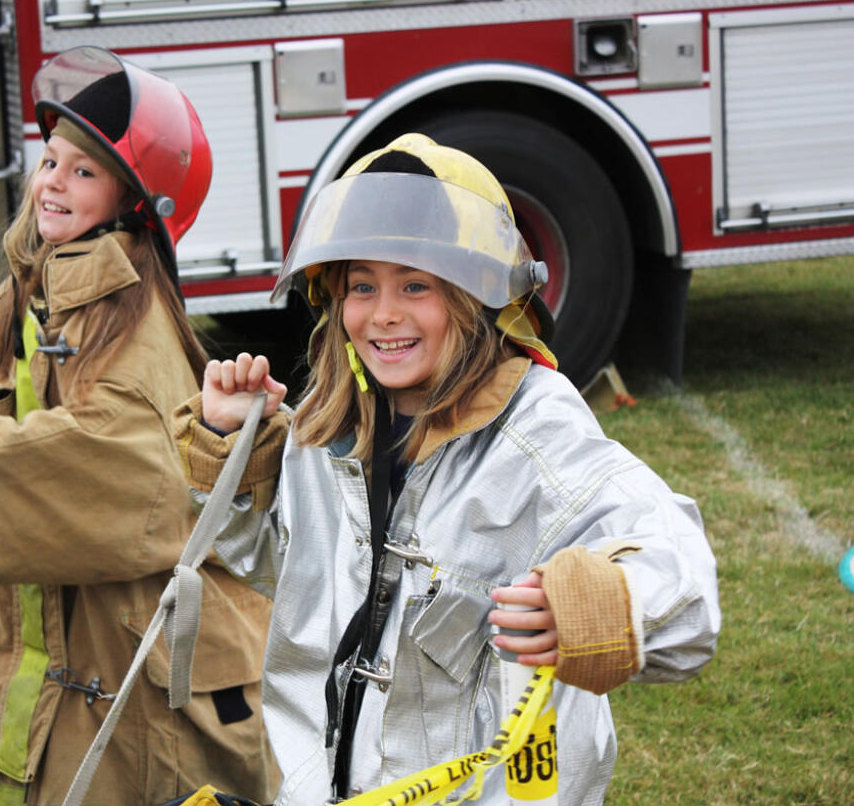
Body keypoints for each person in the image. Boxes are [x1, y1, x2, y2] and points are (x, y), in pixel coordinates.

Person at [172, 133, 720, 806]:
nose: (384, 313)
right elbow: (290, 572)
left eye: (416, 284)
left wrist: (597, 603)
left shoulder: (537, 430)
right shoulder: (328, 422)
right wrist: (235, 453)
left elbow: (684, 583)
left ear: (474, 295)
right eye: (362, 285)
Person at [0, 46, 279, 806]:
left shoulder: (131, 319)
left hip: (132, 645)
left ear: (132, 202)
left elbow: (109, 460)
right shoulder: (43, 284)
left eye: (83, 172)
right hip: (71, 623)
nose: (52, 182)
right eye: (51, 161)